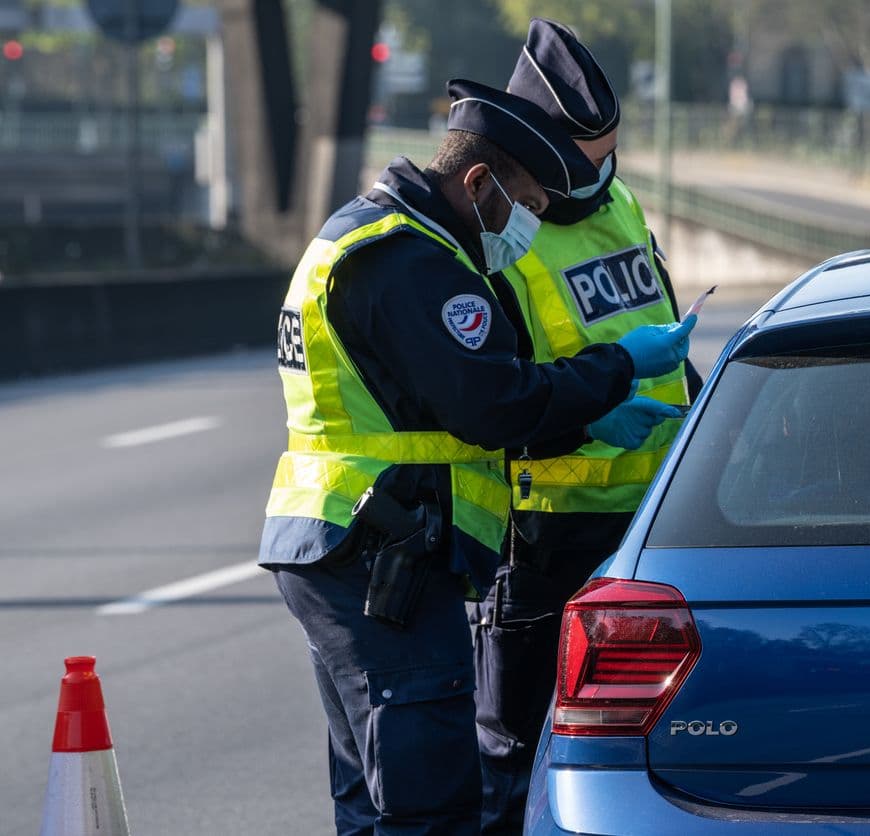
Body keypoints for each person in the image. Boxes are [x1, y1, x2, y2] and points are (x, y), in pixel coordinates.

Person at [258, 78, 696, 836]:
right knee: (432, 809)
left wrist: (588, 423)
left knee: (372, 800)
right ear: (478, 182)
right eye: (525, 205)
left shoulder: (370, 234)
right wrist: (620, 365)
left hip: (342, 544)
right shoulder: (410, 260)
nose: (529, 224)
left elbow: (445, 413)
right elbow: (494, 403)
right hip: (381, 557)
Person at [471, 20, 703, 834]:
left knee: (640, 762)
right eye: (585, 158)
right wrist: (594, 422)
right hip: (546, 535)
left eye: (611, 155)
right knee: (518, 757)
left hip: (655, 527)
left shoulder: (622, 205)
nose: (601, 174)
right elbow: (488, 405)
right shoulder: (503, 239)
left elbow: (663, 343)